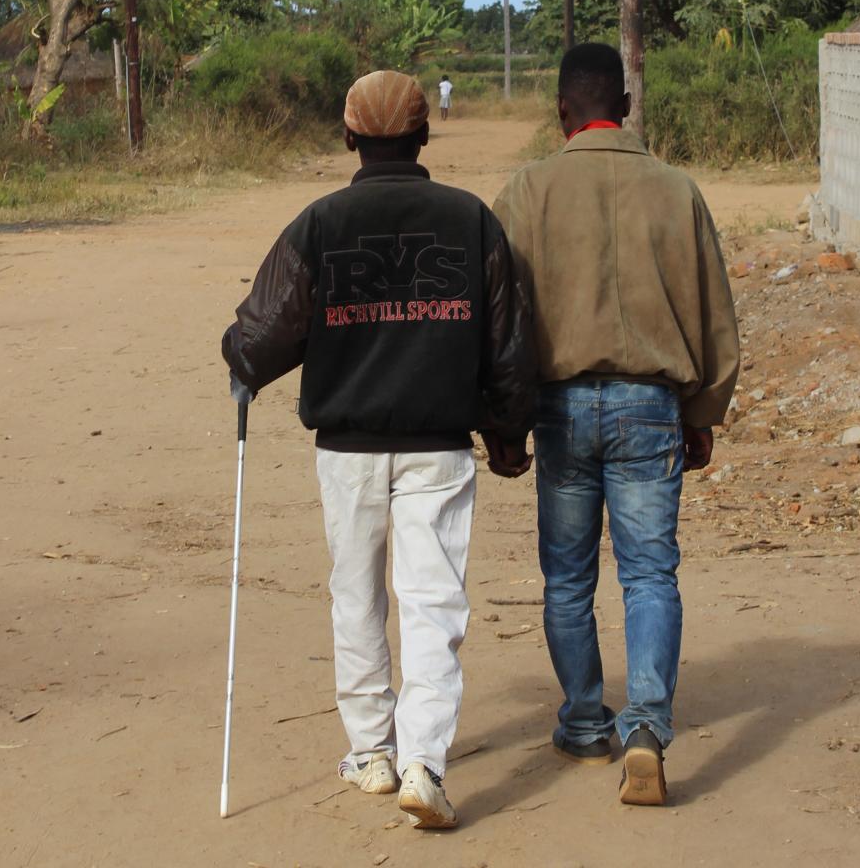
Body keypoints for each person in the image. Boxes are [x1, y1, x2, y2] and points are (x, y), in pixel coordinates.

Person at [222, 70, 536, 830]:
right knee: (433, 604)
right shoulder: (471, 221)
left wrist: (241, 357)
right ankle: (424, 761)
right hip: (438, 446)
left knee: (354, 593)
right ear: (425, 135)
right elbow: (508, 341)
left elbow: (263, 337)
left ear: (349, 135)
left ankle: (371, 752)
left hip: (348, 450)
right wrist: (507, 429)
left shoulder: (320, 224)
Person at [492, 43, 739, 806]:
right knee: (649, 573)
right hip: (651, 405)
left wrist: (503, 420)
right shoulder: (676, 190)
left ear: (562, 111)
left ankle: (582, 723)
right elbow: (714, 314)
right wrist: (702, 414)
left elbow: (501, 322)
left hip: (560, 409)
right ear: (625, 107)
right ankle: (647, 728)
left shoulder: (526, 191)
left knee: (569, 577)